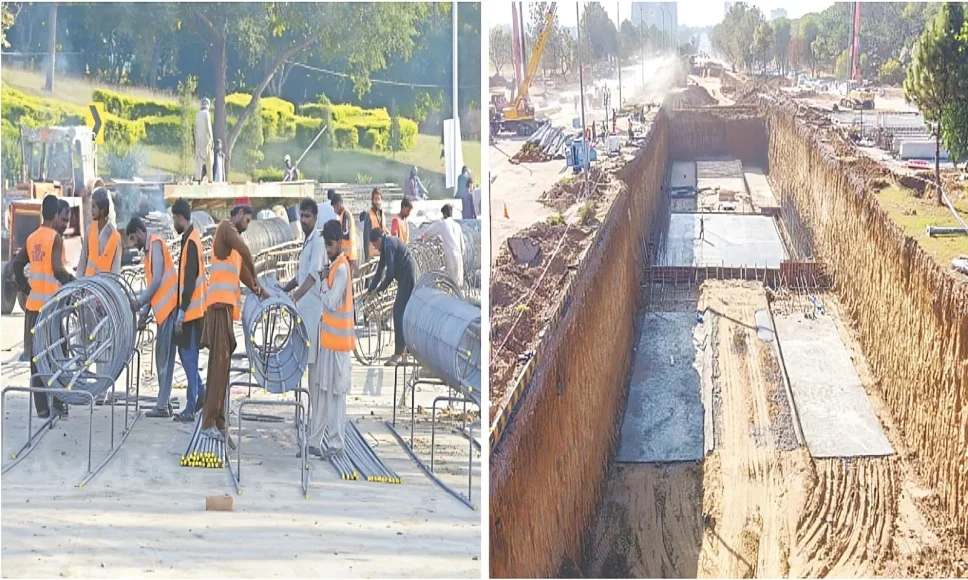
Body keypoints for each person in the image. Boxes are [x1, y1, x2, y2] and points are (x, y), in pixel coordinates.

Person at [200, 205, 267, 439]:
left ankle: (218, 420)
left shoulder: (231, 246)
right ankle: (209, 423)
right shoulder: (227, 228)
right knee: (218, 366)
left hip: (226, 310)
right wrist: (256, 275)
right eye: (247, 221)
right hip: (218, 308)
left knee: (223, 368)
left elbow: (243, 275)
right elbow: (246, 251)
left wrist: (258, 289)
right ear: (238, 215)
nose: (247, 227)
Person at [13, 195, 74, 419]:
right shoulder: (55, 239)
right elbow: (57, 270)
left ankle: (41, 408)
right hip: (51, 309)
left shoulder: (31, 239)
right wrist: (73, 282)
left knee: (36, 358)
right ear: (56, 213)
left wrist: (25, 288)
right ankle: (60, 401)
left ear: (41, 212)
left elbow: (16, 266)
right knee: (59, 353)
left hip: (32, 308)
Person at [281, 199, 327, 456]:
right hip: (303, 313)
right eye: (302, 216)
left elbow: (312, 276)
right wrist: (283, 289)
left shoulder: (318, 242)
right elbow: (299, 276)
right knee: (307, 372)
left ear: (315, 216)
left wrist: (295, 297)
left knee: (314, 377)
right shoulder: (308, 241)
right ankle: (309, 429)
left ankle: (315, 436)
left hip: (311, 312)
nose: (304, 220)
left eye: (308, 216)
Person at [125, 216, 178, 418]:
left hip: (169, 309)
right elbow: (151, 286)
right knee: (163, 358)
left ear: (140, 232)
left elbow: (156, 283)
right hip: (163, 311)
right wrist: (143, 314)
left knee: (164, 359)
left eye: (133, 238)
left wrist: (138, 304)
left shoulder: (155, 244)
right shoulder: (148, 253)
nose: (133, 243)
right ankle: (163, 402)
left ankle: (162, 405)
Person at [312, 219, 354, 456]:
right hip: (329, 343)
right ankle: (315, 441)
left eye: (330, 245)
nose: (327, 250)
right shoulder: (334, 267)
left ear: (339, 243)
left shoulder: (340, 270)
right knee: (322, 391)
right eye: (326, 245)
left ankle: (336, 445)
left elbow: (329, 302)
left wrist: (322, 285)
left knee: (336, 395)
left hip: (338, 347)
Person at [171, 199, 208, 423]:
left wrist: (182, 313)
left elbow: (190, 281)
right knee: (186, 357)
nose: (173, 222)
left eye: (174, 218)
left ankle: (191, 405)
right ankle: (201, 393)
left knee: (189, 357)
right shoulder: (190, 238)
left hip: (191, 313)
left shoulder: (191, 242)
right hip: (193, 310)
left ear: (180, 217)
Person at [366, 228, 418, 366]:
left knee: (398, 311)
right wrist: (370, 289)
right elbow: (380, 271)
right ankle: (407, 349)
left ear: (378, 240)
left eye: (374, 245)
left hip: (407, 275)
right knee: (403, 312)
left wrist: (378, 290)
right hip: (404, 276)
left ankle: (399, 353)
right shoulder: (385, 246)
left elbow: (390, 274)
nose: (375, 248)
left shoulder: (388, 244)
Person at [77, 188, 121, 277]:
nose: (91, 210)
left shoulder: (115, 237)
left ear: (103, 210)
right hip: (88, 286)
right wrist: (77, 284)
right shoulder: (90, 230)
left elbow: (115, 271)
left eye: (94, 206)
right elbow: (83, 260)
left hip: (103, 288)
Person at [418, 204, 465, 289]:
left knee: (451, 283)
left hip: (451, 256)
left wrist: (423, 237)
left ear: (444, 214)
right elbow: (463, 247)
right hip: (459, 257)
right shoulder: (457, 226)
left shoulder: (442, 223)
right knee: (458, 285)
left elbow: (430, 231)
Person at [331, 193, 358, 274]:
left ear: (339, 204)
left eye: (334, 207)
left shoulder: (345, 215)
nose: (334, 210)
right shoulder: (344, 215)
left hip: (348, 254)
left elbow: (345, 233)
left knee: (347, 280)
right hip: (348, 254)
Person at [360, 188, 386, 261]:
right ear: (372, 200)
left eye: (379, 199)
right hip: (372, 256)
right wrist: (367, 258)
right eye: (375, 199)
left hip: (382, 254)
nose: (377, 202)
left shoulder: (382, 214)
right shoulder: (369, 215)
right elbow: (366, 238)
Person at [194, 98, 213, 183]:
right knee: (209, 160)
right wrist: (211, 139)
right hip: (206, 140)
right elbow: (209, 127)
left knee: (199, 160)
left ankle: (198, 177)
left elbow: (195, 128)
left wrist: (196, 140)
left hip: (198, 140)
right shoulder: (207, 114)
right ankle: (210, 178)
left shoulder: (197, 114)